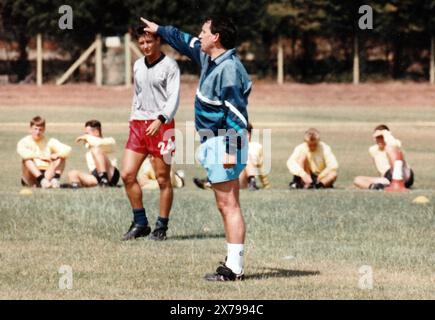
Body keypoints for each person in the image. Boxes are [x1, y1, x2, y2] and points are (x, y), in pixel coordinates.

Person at [140, 15, 251, 281]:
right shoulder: (209, 58)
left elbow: (237, 114)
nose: (199, 36)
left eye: (204, 32)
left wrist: (231, 149)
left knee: (229, 204)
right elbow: (184, 40)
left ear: (216, 38)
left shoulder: (229, 69)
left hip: (224, 141)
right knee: (225, 204)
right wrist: (161, 30)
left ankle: (234, 268)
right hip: (214, 141)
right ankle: (233, 261)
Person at [121, 26, 180, 242]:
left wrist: (161, 119)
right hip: (138, 125)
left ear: (158, 41)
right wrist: (133, 117)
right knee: (127, 174)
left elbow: (173, 98)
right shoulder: (137, 65)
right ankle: (140, 222)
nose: (145, 46)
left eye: (149, 42)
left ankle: (161, 227)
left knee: (163, 179)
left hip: (162, 127)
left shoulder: (170, 66)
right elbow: (137, 95)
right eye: (142, 42)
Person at [193, 123, 270, 191]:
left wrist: (266, 185)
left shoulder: (256, 146)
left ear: (249, 134)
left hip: (244, 180)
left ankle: (252, 182)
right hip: (231, 176)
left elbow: (261, 168)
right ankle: (210, 181)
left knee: (245, 155)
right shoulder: (233, 145)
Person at [354, 124, 414, 190]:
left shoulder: (395, 143)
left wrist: (385, 133)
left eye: (381, 137)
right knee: (357, 180)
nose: (379, 140)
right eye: (377, 137)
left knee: (389, 148)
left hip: (403, 174)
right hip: (387, 177)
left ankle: (398, 182)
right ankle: (377, 187)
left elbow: (393, 145)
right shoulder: (373, 149)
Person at [17, 116, 71, 189]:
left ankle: (55, 180)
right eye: (35, 129)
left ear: (44, 130)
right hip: (30, 175)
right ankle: (41, 181)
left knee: (61, 157)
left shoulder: (50, 141)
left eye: (40, 129)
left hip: (46, 174)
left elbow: (68, 149)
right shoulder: (24, 141)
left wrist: (57, 154)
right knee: (26, 160)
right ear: (30, 129)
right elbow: (23, 153)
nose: (38, 132)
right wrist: (40, 156)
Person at [66, 120, 120, 188]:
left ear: (96, 132)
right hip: (96, 175)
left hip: (111, 173)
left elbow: (98, 143)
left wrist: (86, 137)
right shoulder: (90, 148)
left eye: (87, 133)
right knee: (72, 173)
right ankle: (76, 185)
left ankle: (104, 180)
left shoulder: (110, 141)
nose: (85, 135)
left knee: (95, 150)